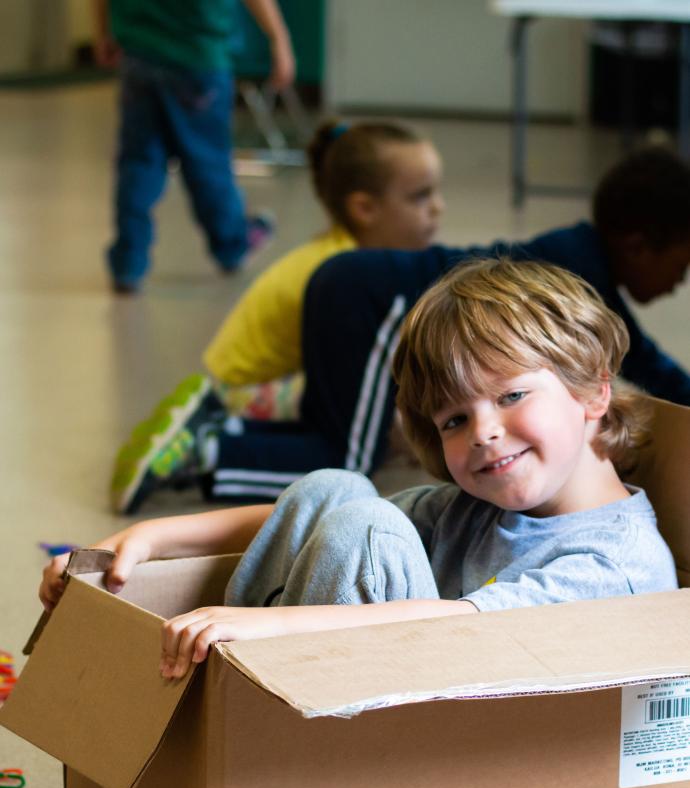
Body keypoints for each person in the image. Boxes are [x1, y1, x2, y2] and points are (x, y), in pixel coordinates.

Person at [40, 259, 678, 680]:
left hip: (452, 758)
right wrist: (154, 539)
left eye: (512, 396)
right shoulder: (480, 508)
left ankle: (254, 690)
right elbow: (295, 516)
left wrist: (272, 625)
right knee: (336, 489)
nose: (483, 432)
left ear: (594, 393)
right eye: (453, 420)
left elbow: (466, 624)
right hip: (359, 693)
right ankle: (236, 685)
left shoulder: (615, 564)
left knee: (364, 528)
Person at [116, 144, 690, 512]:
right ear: (640, 245)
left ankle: (219, 427)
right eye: (680, 265)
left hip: (356, 286)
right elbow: (644, 361)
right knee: (347, 457)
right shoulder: (579, 272)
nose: (677, 283)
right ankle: (208, 448)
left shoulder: (577, 248)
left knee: (331, 429)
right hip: (377, 302)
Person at [111, 119, 445, 512]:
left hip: (237, 383)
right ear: (364, 208)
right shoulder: (348, 276)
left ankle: (200, 429)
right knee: (348, 465)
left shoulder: (336, 252)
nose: (437, 207)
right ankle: (207, 449)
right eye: (420, 197)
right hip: (251, 391)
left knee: (375, 418)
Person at [94, 0, 295, 293]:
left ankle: (128, 261)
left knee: (138, 163)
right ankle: (231, 245)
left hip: (140, 56)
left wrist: (104, 32)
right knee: (207, 162)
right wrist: (279, 39)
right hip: (197, 58)